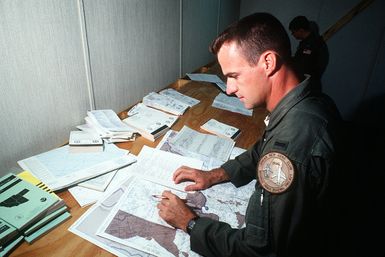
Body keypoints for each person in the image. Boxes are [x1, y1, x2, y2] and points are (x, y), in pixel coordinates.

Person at [157, 12, 341, 257]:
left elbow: (259, 251)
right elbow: (261, 148)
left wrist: (190, 223)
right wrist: (215, 174)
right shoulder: (306, 100)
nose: (230, 89)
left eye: (234, 75)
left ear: (268, 63)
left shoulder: (290, 148)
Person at [289, 15, 329, 91]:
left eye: (293, 32)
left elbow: (304, 65)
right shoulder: (307, 43)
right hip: (306, 84)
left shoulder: (313, 44)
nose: (293, 34)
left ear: (301, 30)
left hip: (309, 86)